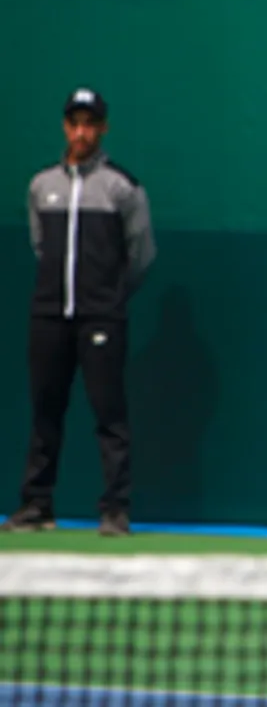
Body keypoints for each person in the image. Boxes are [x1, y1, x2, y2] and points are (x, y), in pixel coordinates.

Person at [1, 88, 156, 537]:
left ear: (102, 128)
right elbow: (40, 247)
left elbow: (141, 254)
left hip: (101, 318)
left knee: (109, 415)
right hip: (49, 316)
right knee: (45, 412)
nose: (82, 131)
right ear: (66, 127)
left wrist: (108, 299)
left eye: (91, 123)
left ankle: (114, 510)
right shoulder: (40, 186)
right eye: (75, 123)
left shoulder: (122, 187)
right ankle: (36, 505)